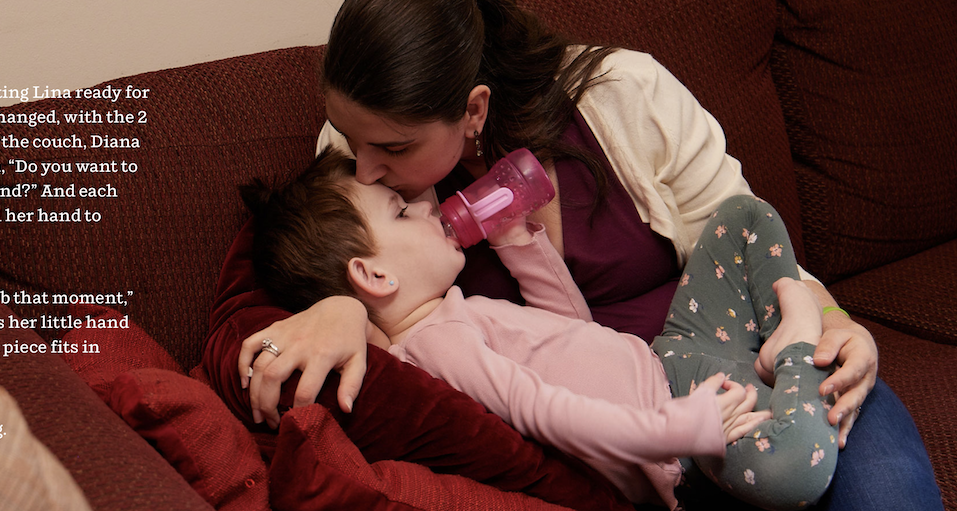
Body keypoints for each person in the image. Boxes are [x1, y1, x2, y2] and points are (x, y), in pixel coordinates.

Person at [227, 0, 941, 509]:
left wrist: (834, 318)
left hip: (722, 341)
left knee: (883, 484)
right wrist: (342, 310)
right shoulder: (361, 158)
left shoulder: (624, 94)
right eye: (355, 145)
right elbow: (329, 265)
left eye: (393, 148)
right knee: (795, 471)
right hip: (662, 424)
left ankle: (803, 341)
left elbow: (746, 246)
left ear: (473, 110)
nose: (364, 165)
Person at [243, 149, 836, 509]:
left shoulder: (456, 311)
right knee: (792, 470)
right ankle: (798, 343)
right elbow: (544, 412)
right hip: (677, 439)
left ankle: (776, 360)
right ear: (374, 275)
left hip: (668, 357)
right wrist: (677, 429)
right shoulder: (435, 345)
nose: (427, 206)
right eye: (402, 212)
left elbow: (575, 332)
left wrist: (518, 243)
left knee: (742, 216)